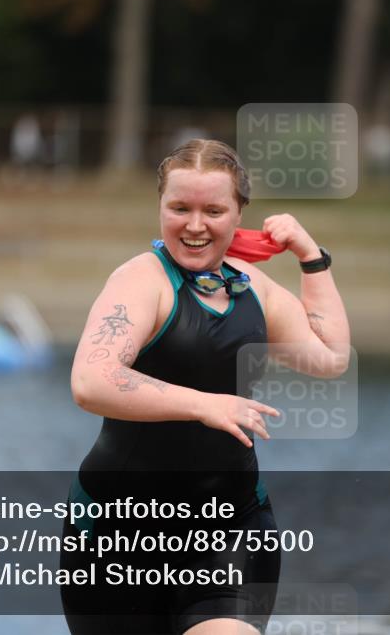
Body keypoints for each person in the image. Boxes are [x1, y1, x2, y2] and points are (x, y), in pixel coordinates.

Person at [61, 139, 351, 635]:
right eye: (180, 208)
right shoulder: (140, 281)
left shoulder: (252, 287)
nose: (195, 225)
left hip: (230, 526)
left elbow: (329, 357)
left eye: (214, 210)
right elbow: (91, 381)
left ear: (239, 215)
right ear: (161, 207)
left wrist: (310, 257)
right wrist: (202, 405)